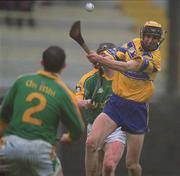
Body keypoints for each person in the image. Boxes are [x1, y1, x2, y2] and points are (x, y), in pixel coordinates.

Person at [85, 21, 165, 176]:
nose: (149, 40)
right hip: (115, 104)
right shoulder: (133, 43)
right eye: (147, 36)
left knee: (132, 165)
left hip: (136, 110)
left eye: (154, 38)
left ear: (159, 39)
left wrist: (101, 60)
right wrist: (101, 57)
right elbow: (115, 53)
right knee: (91, 143)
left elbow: (128, 66)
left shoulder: (155, 60)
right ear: (143, 35)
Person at [0, 46, 85, 176]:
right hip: (42, 151)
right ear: (64, 66)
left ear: (41, 62)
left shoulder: (21, 81)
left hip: (11, 145)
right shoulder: (64, 92)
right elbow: (78, 129)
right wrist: (69, 138)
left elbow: (4, 114)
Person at [61, 43, 126, 176]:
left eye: (106, 55)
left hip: (116, 128)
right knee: (96, 170)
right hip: (95, 127)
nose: (103, 58)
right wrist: (86, 103)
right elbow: (74, 102)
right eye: (100, 55)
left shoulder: (124, 77)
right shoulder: (89, 78)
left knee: (108, 166)